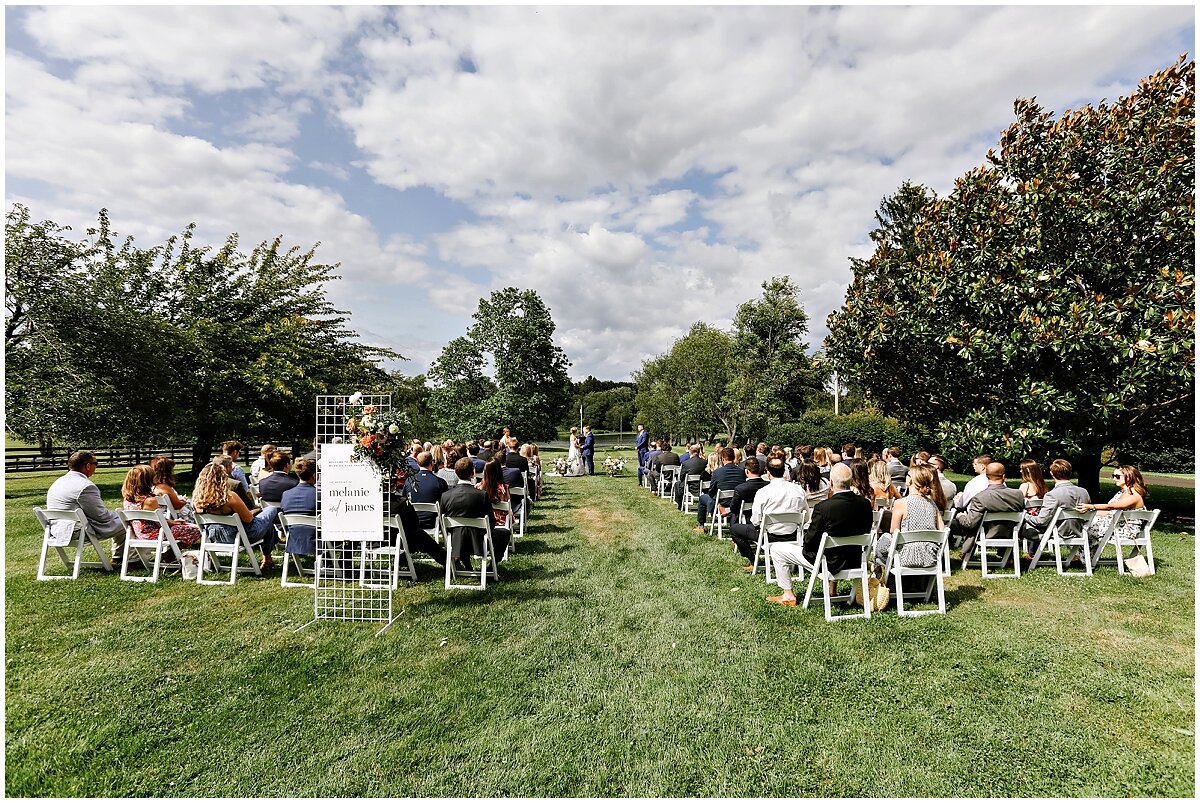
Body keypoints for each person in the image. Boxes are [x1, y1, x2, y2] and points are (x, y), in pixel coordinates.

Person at [768, 463, 873, 606]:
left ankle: (788, 595)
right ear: (851, 481)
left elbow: (810, 540)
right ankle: (832, 590)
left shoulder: (824, 508)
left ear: (831, 483)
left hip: (828, 563)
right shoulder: (865, 504)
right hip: (855, 560)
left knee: (776, 550)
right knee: (833, 546)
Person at [192, 462, 281, 569]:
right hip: (239, 536)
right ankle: (271, 552)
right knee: (271, 510)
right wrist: (258, 510)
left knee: (268, 525)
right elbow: (248, 519)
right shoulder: (229, 497)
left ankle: (268, 559)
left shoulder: (197, 500)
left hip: (213, 536)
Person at [45, 450, 128, 564]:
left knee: (122, 521)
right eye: (96, 464)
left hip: (56, 530)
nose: (96, 467)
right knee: (129, 521)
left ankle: (119, 558)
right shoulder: (85, 486)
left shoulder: (58, 482)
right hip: (77, 532)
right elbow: (101, 516)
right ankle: (133, 560)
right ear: (88, 466)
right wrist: (121, 514)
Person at [729, 457, 808, 569]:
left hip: (769, 536)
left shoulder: (763, 492)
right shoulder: (798, 489)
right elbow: (806, 517)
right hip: (793, 534)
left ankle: (753, 560)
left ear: (768, 473)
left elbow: (755, 521)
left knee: (734, 529)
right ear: (784, 471)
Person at [440, 457, 511, 568]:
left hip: (456, 542)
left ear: (456, 472)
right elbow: (491, 522)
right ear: (473, 472)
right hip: (479, 541)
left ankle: (467, 565)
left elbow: (443, 524)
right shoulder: (481, 495)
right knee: (505, 533)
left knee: (462, 532)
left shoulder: (445, 496)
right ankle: (492, 567)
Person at [949, 461, 1024, 560]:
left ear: (987, 477)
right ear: (1004, 476)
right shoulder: (1018, 495)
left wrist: (960, 516)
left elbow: (969, 524)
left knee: (949, 524)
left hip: (984, 534)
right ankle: (1007, 556)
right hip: (1008, 532)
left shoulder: (980, 497)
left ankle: (953, 553)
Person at [875, 465, 944, 569]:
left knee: (883, 540)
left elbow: (894, 532)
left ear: (910, 480)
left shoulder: (901, 503)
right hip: (930, 557)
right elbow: (942, 530)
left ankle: (883, 580)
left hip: (905, 557)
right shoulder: (933, 504)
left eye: (907, 474)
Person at [120, 463, 202, 547]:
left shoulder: (127, 500)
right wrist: (176, 523)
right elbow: (161, 523)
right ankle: (170, 555)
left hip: (139, 535)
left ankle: (169, 555)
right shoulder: (149, 501)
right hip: (155, 536)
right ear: (148, 481)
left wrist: (173, 522)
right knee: (197, 529)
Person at [1022, 458, 1090, 555]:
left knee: (1020, 527)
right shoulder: (1084, 492)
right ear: (1070, 472)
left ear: (1052, 473)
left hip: (1058, 533)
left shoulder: (1052, 495)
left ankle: (1018, 557)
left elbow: (1041, 521)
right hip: (1080, 531)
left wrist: (1023, 515)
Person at [1078, 465, 1149, 551]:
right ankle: (1085, 558)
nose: (1114, 479)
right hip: (1114, 527)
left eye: (1117, 476)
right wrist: (1087, 513)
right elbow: (1110, 512)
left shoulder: (1134, 496)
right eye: (1113, 476)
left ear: (1129, 477)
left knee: (1083, 529)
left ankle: (1084, 558)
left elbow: (1111, 507)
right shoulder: (1122, 493)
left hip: (1124, 531)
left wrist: (1091, 506)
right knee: (1083, 523)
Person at [694, 447, 745, 532]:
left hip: (722, 502)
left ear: (723, 459)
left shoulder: (717, 472)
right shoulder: (741, 471)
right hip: (737, 503)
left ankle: (701, 526)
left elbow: (711, 491)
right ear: (733, 457)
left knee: (702, 498)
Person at [280, 457, 319, 558]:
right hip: (317, 540)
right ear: (314, 475)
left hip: (294, 539)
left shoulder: (286, 494)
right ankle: (340, 565)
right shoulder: (319, 495)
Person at [403, 452, 449, 531]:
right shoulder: (440, 482)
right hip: (433, 522)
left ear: (418, 464)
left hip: (412, 521)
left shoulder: (409, 481)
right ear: (432, 463)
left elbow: (404, 500)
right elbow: (445, 504)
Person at [149, 455, 195, 522]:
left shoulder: (152, 487)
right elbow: (177, 505)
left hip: (163, 515)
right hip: (175, 517)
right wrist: (184, 501)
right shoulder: (164, 488)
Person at [727, 456, 769, 528]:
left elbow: (733, 508)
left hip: (746, 517)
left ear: (746, 471)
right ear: (759, 470)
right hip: (764, 518)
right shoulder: (768, 485)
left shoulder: (740, 488)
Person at [476, 459, 512, 529]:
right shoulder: (503, 489)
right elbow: (508, 509)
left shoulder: (477, 487)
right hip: (500, 524)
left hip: (481, 524)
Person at [674, 444, 708, 509]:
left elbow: (681, 477)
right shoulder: (704, 462)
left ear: (690, 452)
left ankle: (680, 504)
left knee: (677, 484)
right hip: (702, 486)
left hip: (690, 486)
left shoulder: (686, 463)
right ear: (698, 452)